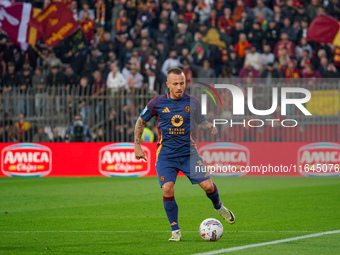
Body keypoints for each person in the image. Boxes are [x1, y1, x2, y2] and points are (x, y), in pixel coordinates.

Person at [134, 67, 235, 242]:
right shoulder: (157, 103)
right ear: (168, 85)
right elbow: (141, 121)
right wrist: (137, 146)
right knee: (167, 188)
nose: (180, 87)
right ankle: (175, 231)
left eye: (182, 83)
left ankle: (219, 207)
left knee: (209, 187)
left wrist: (209, 126)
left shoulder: (193, 102)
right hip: (166, 155)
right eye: (175, 84)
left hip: (189, 154)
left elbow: (201, 122)